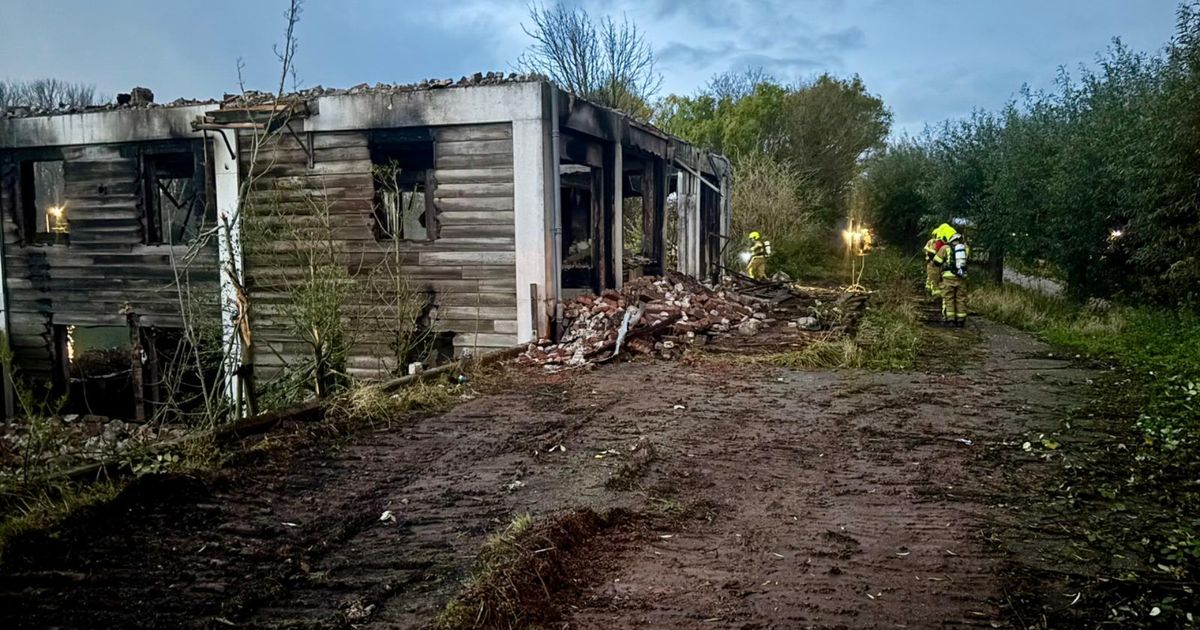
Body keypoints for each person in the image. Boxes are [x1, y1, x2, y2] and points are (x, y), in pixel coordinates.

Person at [932, 231, 969, 326]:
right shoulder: (965, 248)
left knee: (949, 298)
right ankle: (961, 321)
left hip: (948, 277)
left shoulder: (945, 248)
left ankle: (950, 320)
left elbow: (936, 262)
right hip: (961, 277)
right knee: (961, 298)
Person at [923, 224, 955, 296]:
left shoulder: (935, 242)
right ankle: (933, 291)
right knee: (933, 276)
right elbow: (932, 252)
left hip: (933, 262)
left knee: (931, 277)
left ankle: (930, 290)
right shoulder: (935, 242)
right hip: (933, 263)